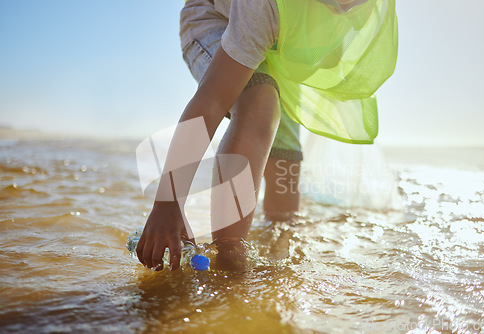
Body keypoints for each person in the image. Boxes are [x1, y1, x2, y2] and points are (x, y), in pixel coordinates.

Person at [136, 0, 398, 270]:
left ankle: (277, 256)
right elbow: (213, 101)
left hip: (279, 47)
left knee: (286, 169)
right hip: (214, 19)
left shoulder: (369, 7)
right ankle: (229, 257)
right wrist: (168, 203)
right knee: (260, 101)